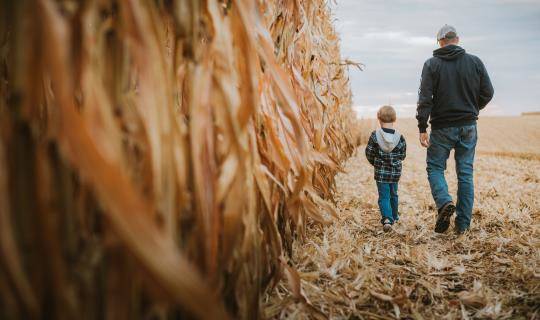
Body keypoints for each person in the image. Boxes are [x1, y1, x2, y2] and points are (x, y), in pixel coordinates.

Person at [416, 25, 494, 234]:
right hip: (468, 126)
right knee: (465, 174)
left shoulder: (431, 64)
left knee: (434, 168)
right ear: (457, 39)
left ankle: (444, 203)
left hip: (442, 127)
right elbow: (488, 92)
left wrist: (422, 126)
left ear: (440, 41)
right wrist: (472, 108)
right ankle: (463, 225)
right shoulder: (475, 62)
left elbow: (425, 99)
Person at [365, 105, 407, 232]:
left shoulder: (375, 135)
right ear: (394, 119)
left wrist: (376, 164)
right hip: (395, 173)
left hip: (381, 173)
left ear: (379, 118)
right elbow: (402, 154)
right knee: (394, 194)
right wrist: (395, 162)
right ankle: (394, 216)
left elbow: (369, 152)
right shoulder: (399, 137)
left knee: (384, 196)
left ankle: (387, 219)